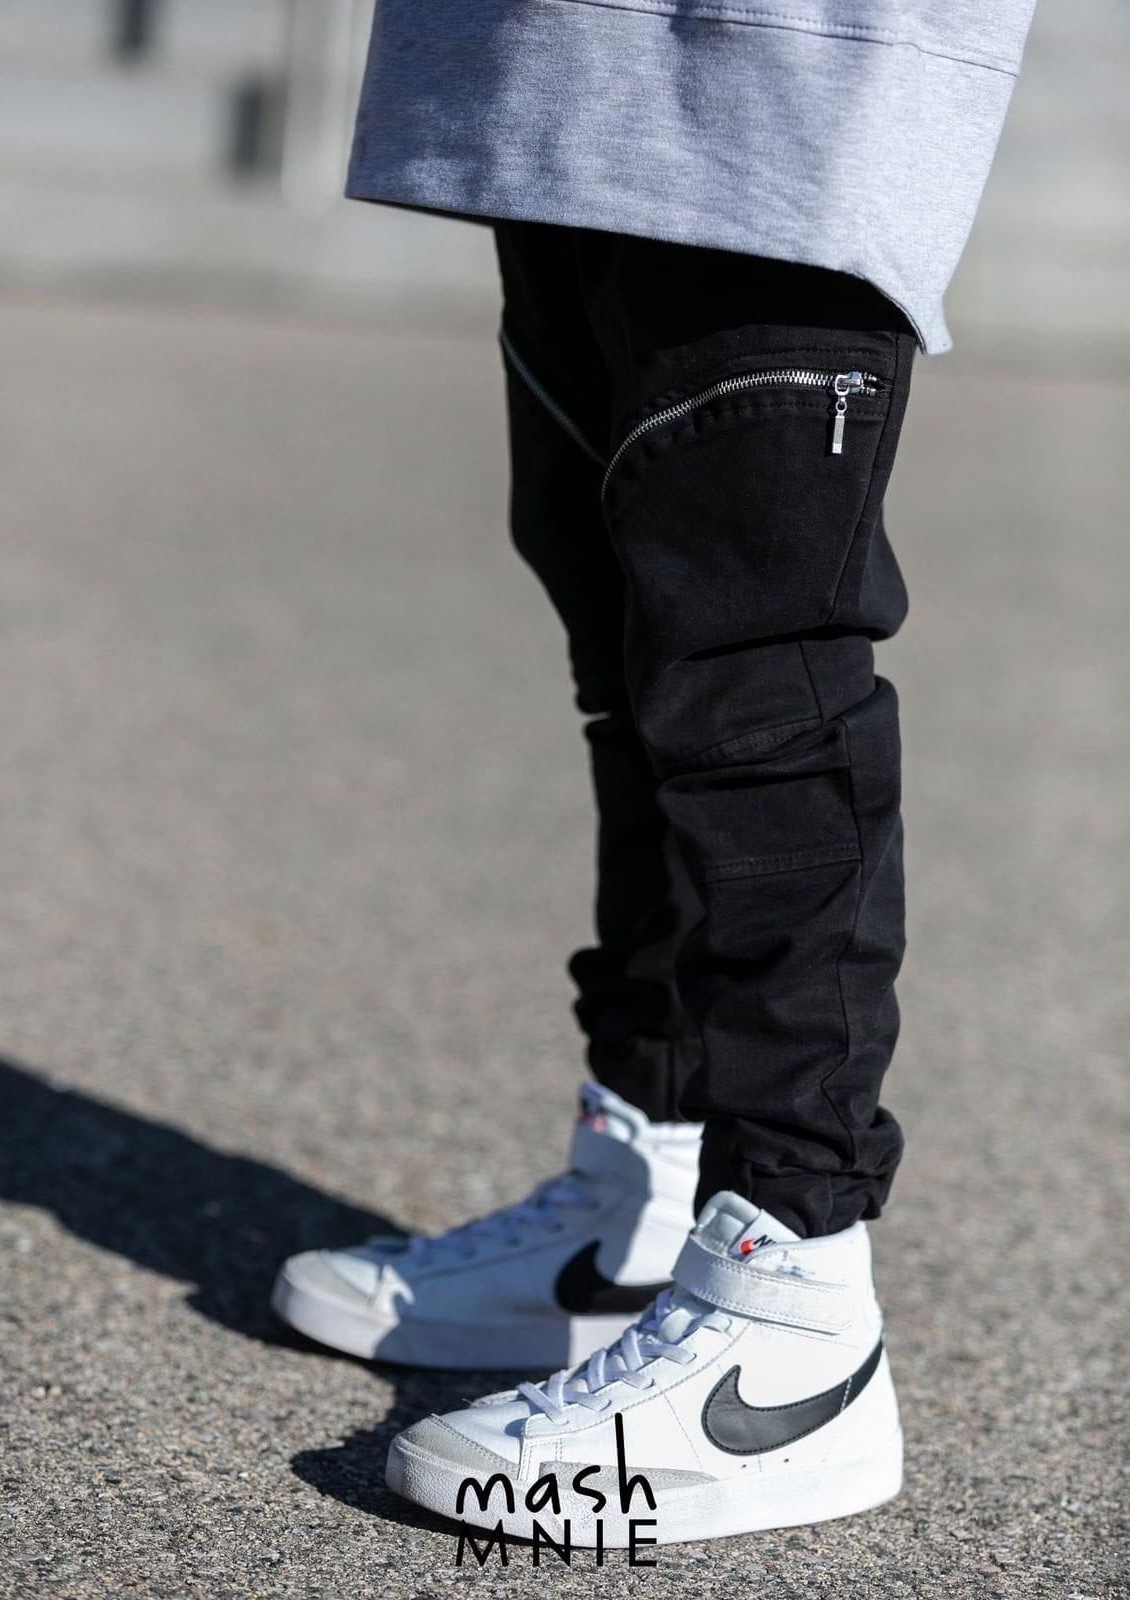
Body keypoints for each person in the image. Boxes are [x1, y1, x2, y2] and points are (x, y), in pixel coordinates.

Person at [273, 0, 1039, 1547]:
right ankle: (644, 1190)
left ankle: (791, 1312)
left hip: (777, 62)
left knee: (754, 681)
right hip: (553, 60)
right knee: (630, 655)